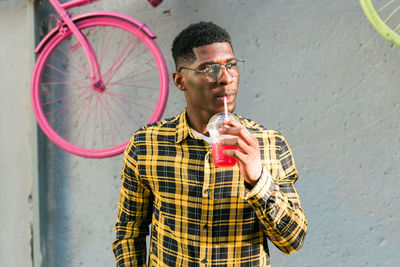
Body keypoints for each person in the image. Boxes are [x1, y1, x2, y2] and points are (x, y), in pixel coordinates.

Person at [113, 21, 307, 266]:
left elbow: (293, 241)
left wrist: (258, 179)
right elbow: (129, 233)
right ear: (180, 80)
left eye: (231, 66)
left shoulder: (270, 144)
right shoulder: (146, 146)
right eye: (209, 69)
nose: (226, 79)